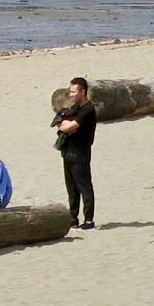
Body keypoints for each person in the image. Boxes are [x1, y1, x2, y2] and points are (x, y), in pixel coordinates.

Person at [54, 76, 98, 230]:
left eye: (73, 92)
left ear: (83, 92)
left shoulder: (88, 110)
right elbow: (59, 121)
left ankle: (89, 220)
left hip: (80, 154)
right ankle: (73, 219)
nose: (71, 95)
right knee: (71, 189)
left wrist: (65, 125)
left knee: (84, 187)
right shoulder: (75, 108)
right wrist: (63, 124)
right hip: (68, 152)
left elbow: (68, 127)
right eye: (70, 91)